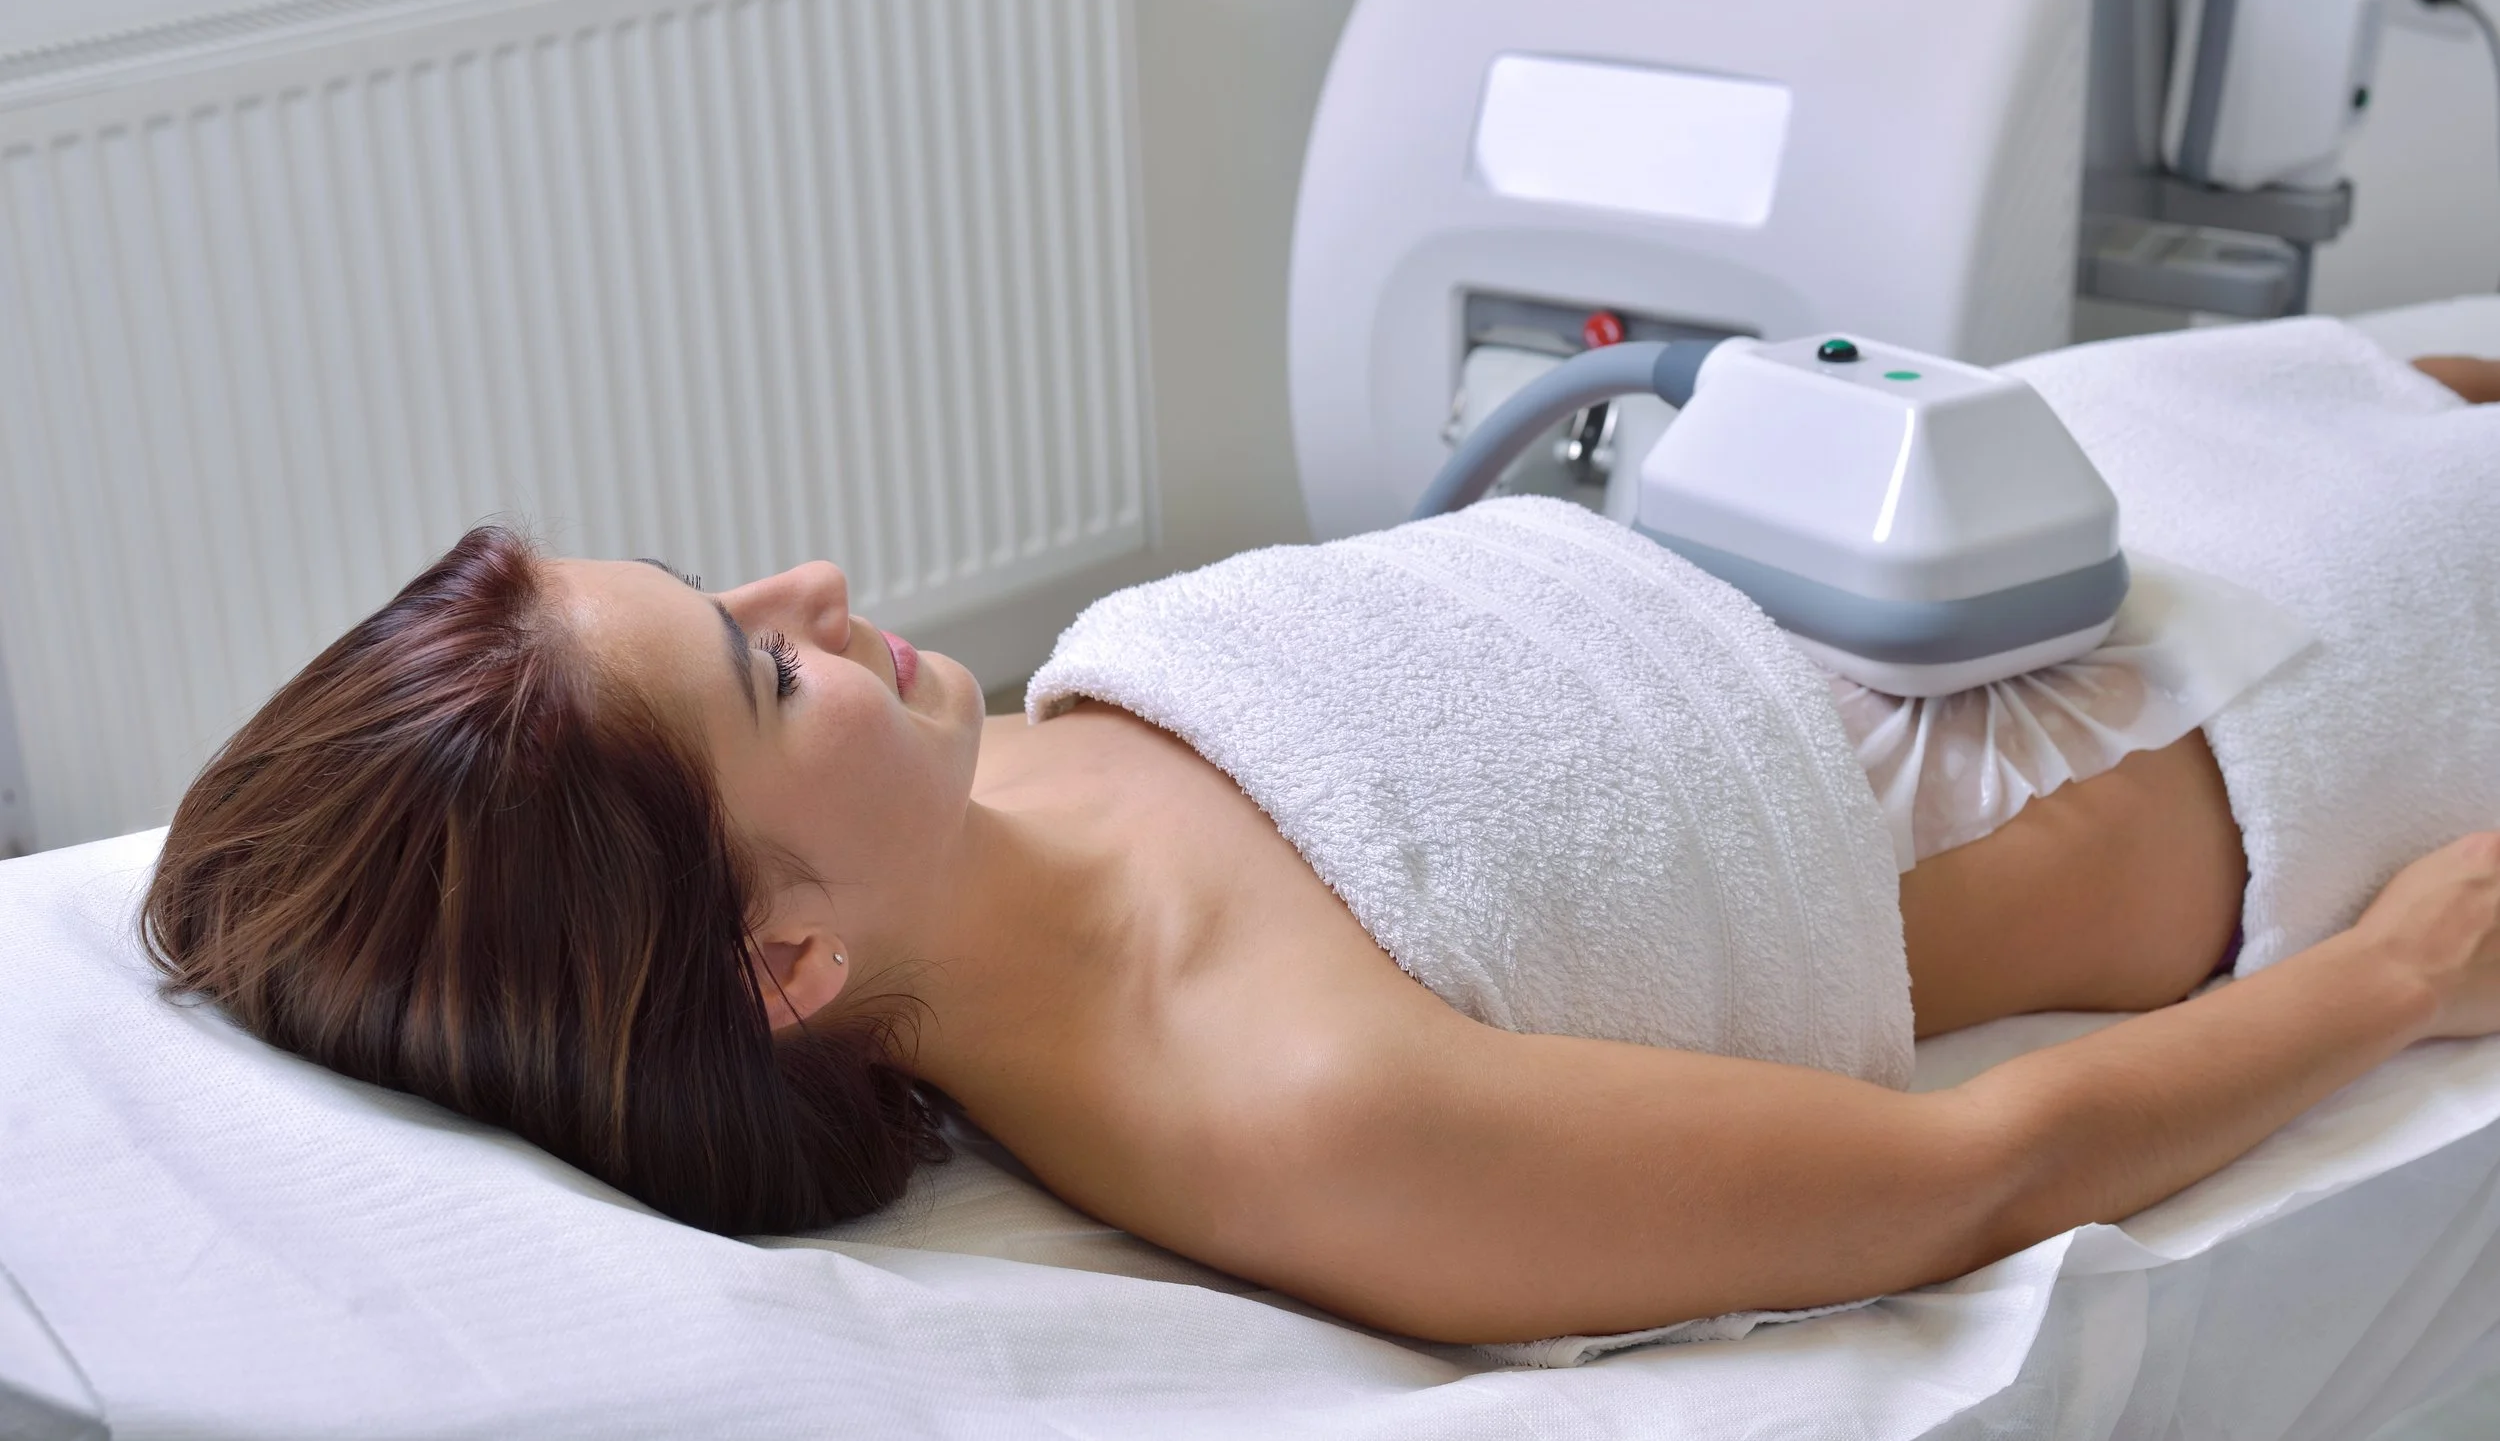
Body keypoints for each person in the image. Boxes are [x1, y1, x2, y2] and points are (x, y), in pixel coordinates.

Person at [142, 322, 2500, 1346]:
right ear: (777, 965)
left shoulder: (994, 765)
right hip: (2263, 702)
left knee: (2408, 368)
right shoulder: (1296, 1112)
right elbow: (1968, 1186)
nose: (816, 597)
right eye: (760, 671)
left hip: (2009, 506)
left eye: (720, 584)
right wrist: (2399, 973)